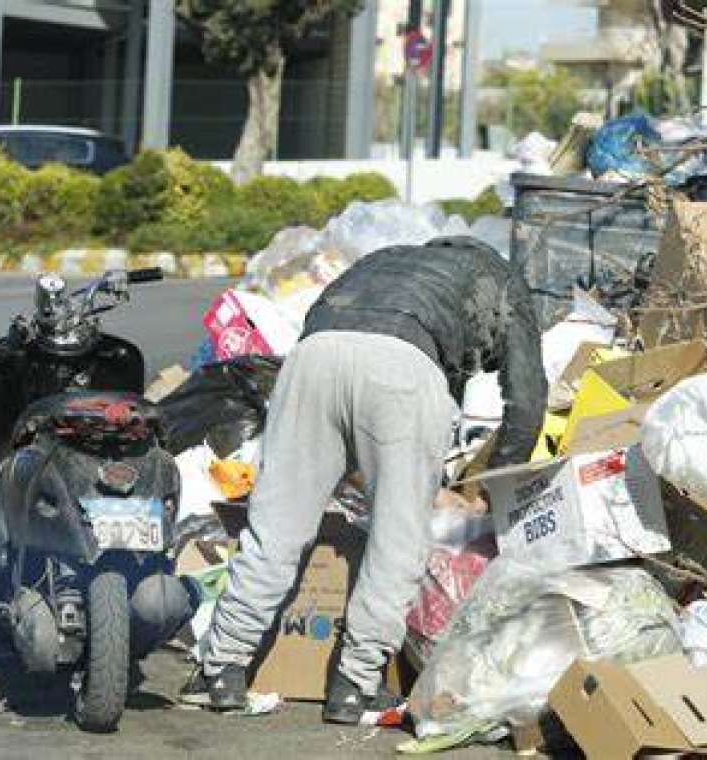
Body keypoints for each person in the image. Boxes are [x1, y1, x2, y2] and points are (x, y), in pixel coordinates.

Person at [181, 236, 547, 723]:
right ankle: (355, 684)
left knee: (277, 525)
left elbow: (331, 326)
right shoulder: (504, 283)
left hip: (312, 356)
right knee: (397, 539)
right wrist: (500, 482)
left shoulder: (386, 258)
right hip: (402, 369)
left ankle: (221, 668)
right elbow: (526, 398)